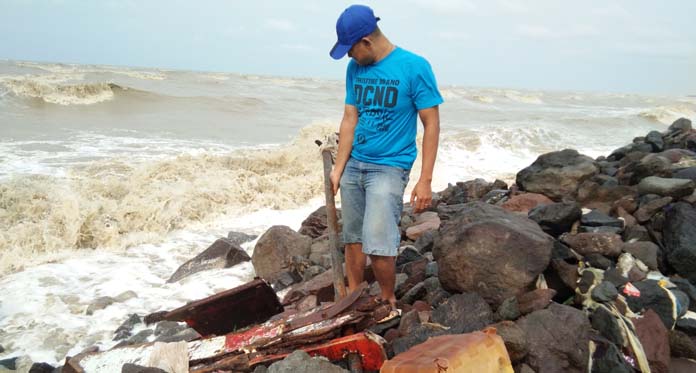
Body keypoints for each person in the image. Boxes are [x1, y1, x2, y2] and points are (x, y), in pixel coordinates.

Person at [328, 4, 443, 316]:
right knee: (353, 238)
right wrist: (338, 169)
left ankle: (387, 300)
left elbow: (431, 123)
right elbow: (350, 119)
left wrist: (425, 180)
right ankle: (352, 297)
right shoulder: (354, 69)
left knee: (379, 242)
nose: (349, 57)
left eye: (350, 49)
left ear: (366, 41)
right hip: (355, 164)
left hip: (390, 166)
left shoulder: (414, 67)